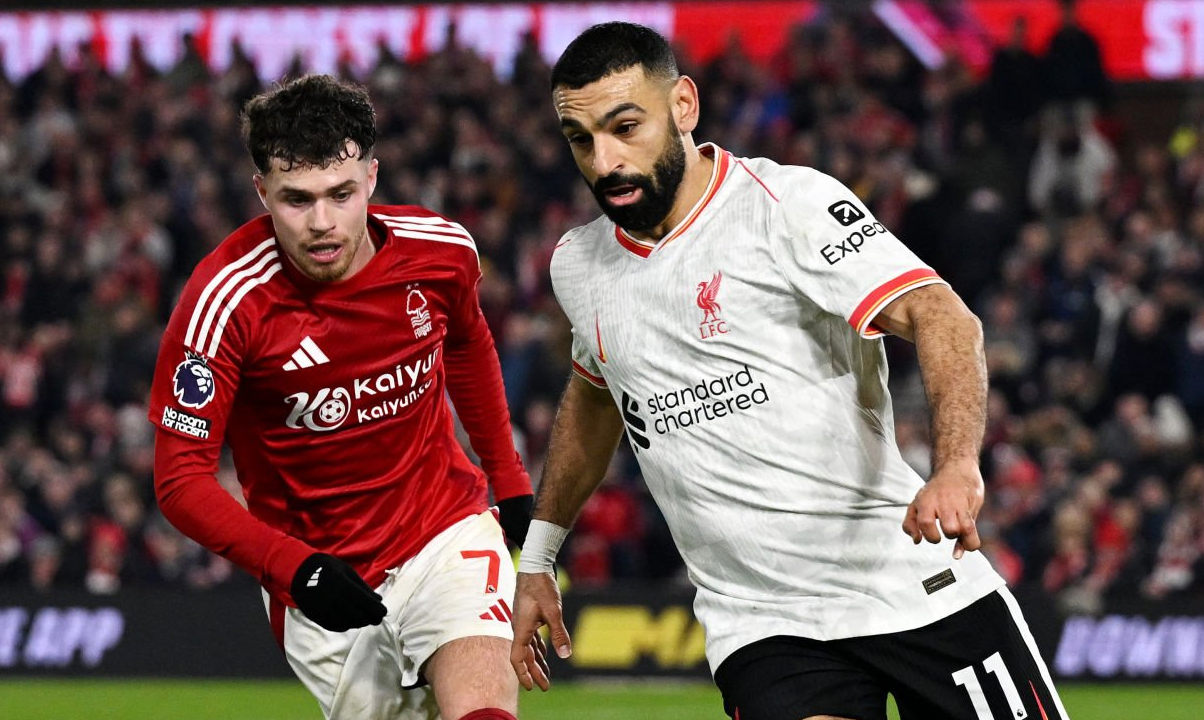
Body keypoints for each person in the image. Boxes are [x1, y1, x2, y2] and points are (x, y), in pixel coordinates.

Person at [510, 23, 1070, 720]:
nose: (605, 160)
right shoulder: (580, 264)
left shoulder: (786, 207)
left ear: (683, 104)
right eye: (581, 140)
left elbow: (942, 315)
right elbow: (596, 400)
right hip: (764, 624)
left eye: (626, 127)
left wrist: (956, 467)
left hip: (907, 579)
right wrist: (538, 556)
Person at [149, 75, 531, 720]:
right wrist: (295, 569)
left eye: (341, 194)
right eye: (296, 200)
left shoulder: (440, 253)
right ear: (261, 191)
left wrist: (509, 477)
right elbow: (179, 480)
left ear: (373, 179)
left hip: (444, 529)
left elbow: (467, 345)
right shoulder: (225, 302)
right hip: (318, 578)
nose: (322, 223)